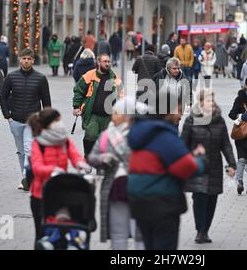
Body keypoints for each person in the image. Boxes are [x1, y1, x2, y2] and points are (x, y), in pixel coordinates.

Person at [127, 90, 205, 250]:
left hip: (139, 201)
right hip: (161, 203)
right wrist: (201, 161)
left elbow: (161, 160)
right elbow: (186, 168)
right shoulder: (163, 135)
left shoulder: (142, 131)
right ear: (167, 110)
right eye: (178, 109)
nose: (181, 113)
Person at [87, 97, 147, 250]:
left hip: (139, 188)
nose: (112, 115)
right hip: (114, 189)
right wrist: (102, 158)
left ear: (127, 116)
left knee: (141, 232)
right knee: (117, 233)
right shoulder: (106, 135)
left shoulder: (142, 135)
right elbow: (91, 157)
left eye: (116, 112)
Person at [182, 89, 236, 244]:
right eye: (207, 100)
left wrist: (231, 164)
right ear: (200, 103)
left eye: (212, 100)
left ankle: (206, 230)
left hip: (214, 166)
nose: (211, 103)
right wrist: (193, 153)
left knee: (211, 199)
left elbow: (226, 144)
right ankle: (200, 230)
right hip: (197, 167)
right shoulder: (191, 121)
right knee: (199, 197)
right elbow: (182, 146)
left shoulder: (219, 120)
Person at [28, 108, 88, 244]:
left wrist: (80, 163)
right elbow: (37, 168)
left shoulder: (64, 140)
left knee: (63, 228)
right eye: (57, 121)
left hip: (60, 192)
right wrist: (53, 170)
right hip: (41, 194)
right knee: (42, 232)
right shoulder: (38, 143)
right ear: (48, 124)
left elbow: (74, 155)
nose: (60, 123)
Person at [1, 48, 52, 190]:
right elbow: (3, 97)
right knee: (21, 150)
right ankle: (25, 176)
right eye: (24, 58)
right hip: (15, 120)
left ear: (33, 61)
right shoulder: (11, 77)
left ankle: (26, 177)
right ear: (20, 59)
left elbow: (46, 100)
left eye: (29, 59)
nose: (26, 61)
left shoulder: (40, 78)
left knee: (29, 149)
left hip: (33, 120)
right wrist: (8, 116)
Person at [73, 54, 124, 159]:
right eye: (105, 61)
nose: (107, 63)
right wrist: (76, 106)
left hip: (109, 117)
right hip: (93, 115)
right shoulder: (90, 75)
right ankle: (88, 157)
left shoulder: (114, 78)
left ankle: (102, 163)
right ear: (98, 62)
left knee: (106, 141)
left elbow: (121, 96)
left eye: (109, 61)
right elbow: (79, 90)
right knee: (90, 136)